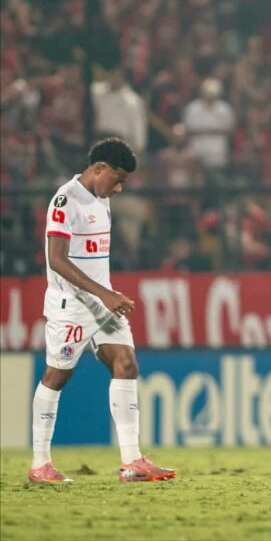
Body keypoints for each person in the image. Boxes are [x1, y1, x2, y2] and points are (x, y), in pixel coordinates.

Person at [28, 138, 175, 484]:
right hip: (71, 306)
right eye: (117, 179)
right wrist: (104, 294)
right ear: (99, 169)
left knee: (126, 364)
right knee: (57, 376)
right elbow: (57, 260)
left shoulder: (102, 198)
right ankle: (40, 464)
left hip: (101, 305)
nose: (119, 188)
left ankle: (131, 461)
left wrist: (105, 295)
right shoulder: (66, 201)